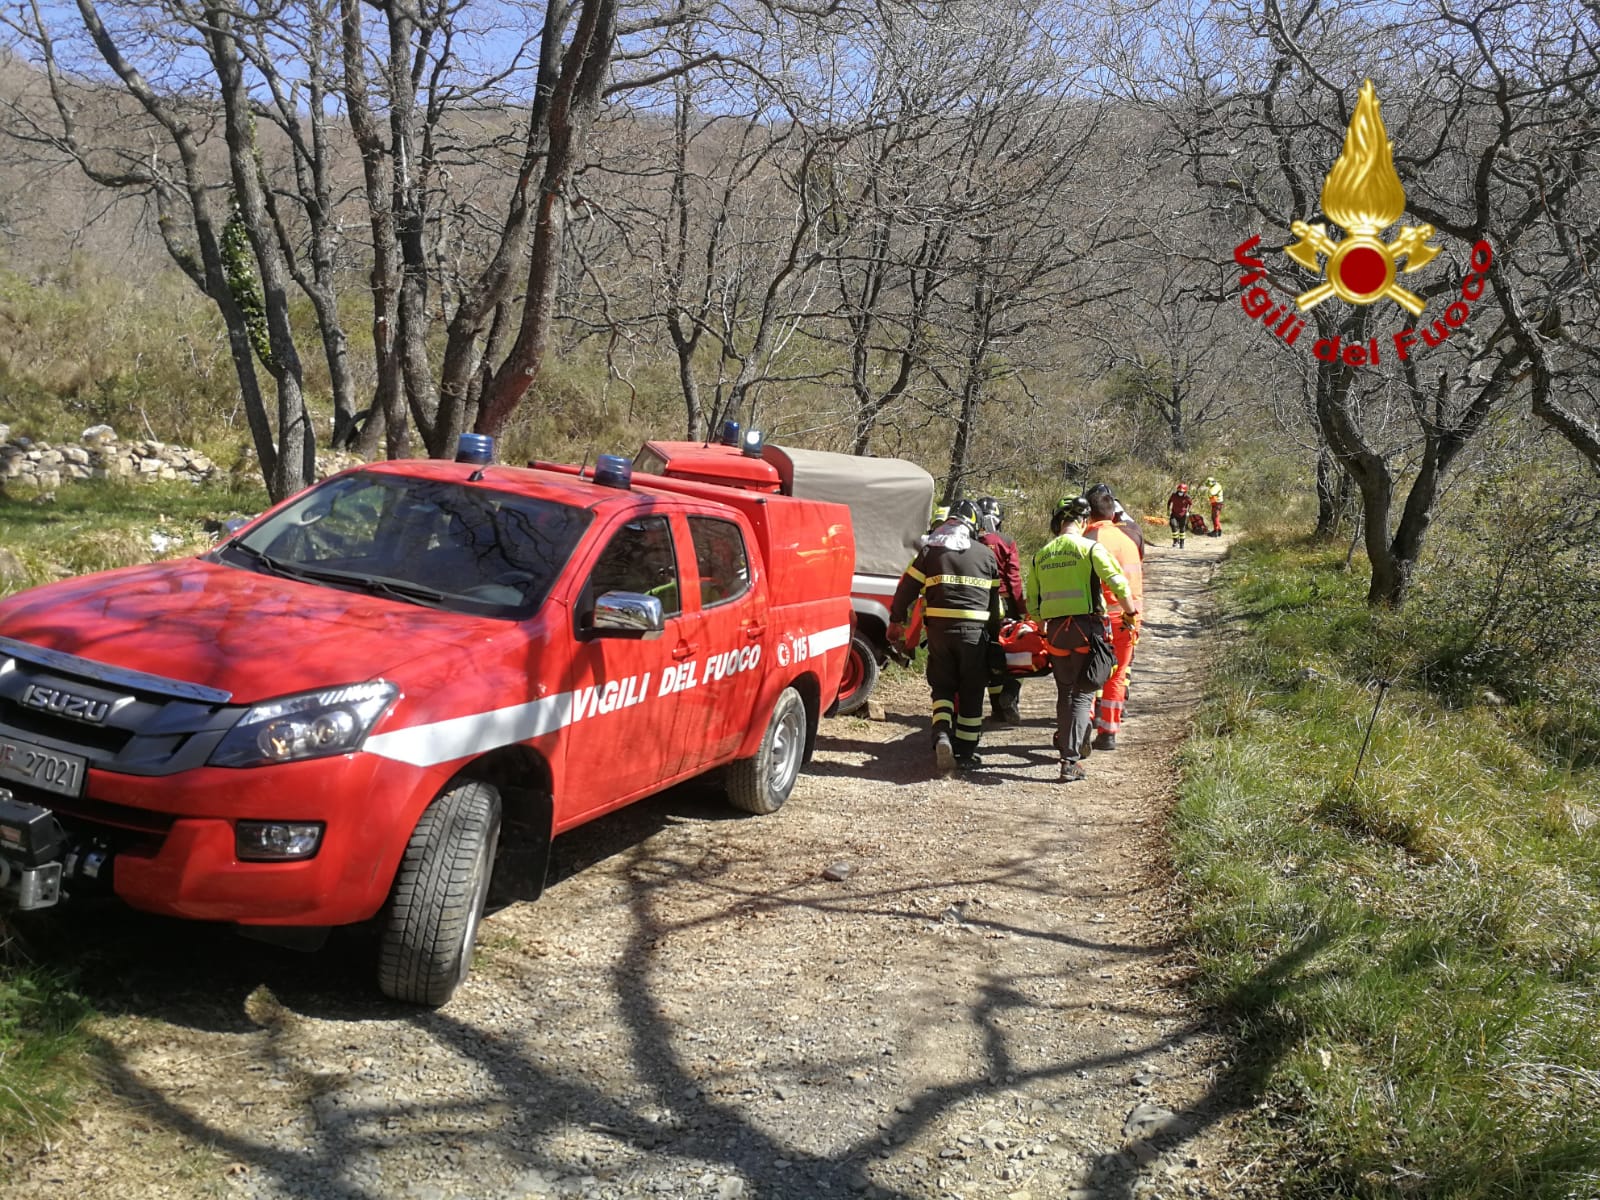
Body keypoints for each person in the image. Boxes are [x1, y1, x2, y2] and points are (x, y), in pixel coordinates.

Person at [1027, 496, 1139, 783]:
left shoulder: (1042, 554)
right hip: (1086, 629)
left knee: (1065, 692)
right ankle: (1070, 760)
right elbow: (1117, 582)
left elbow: (1032, 603)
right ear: (1082, 521)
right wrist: (1130, 613)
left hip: (1055, 632)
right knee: (1083, 693)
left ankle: (1072, 742)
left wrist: (1042, 626)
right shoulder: (1090, 548)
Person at [889, 499, 1001, 771]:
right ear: (975, 525)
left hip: (939, 633)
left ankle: (941, 734)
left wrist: (896, 622)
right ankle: (964, 753)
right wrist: (996, 640)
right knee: (972, 691)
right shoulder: (987, 555)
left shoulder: (931, 552)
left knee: (942, 687)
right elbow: (995, 607)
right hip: (975, 635)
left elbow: (906, 589)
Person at [1083, 484, 1144, 752]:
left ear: (1089, 513)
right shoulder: (1128, 540)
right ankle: (1108, 732)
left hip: (1098, 618)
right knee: (1117, 676)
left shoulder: (1088, 538)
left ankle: (1083, 728)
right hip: (1129, 617)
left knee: (1085, 673)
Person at [977, 496, 1026, 725]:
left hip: (977, 603)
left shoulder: (970, 540)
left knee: (988, 655)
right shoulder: (1006, 541)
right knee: (1014, 652)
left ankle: (997, 707)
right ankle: (1009, 696)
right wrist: (1022, 610)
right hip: (1004, 604)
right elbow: (1013, 579)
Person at [1167, 483, 1192, 548]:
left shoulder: (1187, 497)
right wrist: (1168, 510)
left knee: (1182, 529)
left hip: (1183, 515)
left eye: (1182, 491)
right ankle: (1175, 541)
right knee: (1173, 526)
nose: (1180, 492)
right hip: (1174, 514)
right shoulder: (1174, 495)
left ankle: (1182, 543)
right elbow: (1169, 502)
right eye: (1179, 491)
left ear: (1185, 491)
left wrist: (1188, 512)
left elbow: (1190, 504)